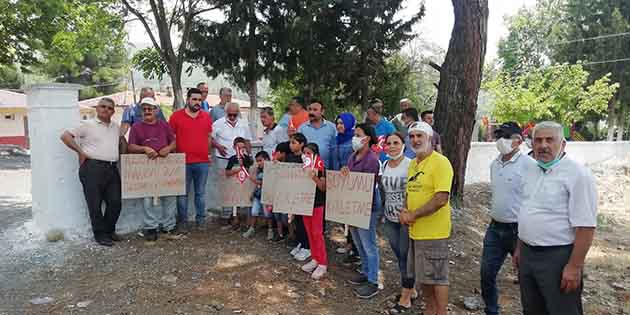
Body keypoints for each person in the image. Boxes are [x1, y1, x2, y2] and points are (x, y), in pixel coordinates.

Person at [513, 121, 597, 315]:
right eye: (538, 140)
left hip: (558, 257)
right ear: (532, 144)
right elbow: (526, 210)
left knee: (562, 310)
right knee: (532, 309)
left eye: (550, 140)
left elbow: (586, 227)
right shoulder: (530, 169)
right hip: (527, 255)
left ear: (563, 144)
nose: (543, 145)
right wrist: (519, 247)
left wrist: (574, 266)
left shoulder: (578, 174)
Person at [400, 121, 454, 315]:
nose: (415, 140)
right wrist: (404, 211)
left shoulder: (440, 162)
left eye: (419, 136)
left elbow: (441, 198)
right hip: (416, 231)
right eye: (412, 136)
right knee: (424, 278)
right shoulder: (413, 163)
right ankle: (429, 310)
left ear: (429, 138)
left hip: (434, 232)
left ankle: (441, 312)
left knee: (437, 278)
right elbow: (410, 191)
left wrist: (413, 214)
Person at [60, 97, 122, 247]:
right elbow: (65, 136)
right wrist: (80, 152)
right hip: (92, 168)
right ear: (97, 108)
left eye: (109, 108)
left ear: (113, 111)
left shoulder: (115, 127)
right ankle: (100, 235)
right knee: (94, 204)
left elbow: (120, 143)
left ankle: (109, 230)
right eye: (103, 106)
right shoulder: (87, 124)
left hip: (112, 168)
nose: (106, 109)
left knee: (115, 202)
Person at [481, 121, 528, 315]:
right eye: (498, 136)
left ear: (518, 141)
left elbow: (530, 202)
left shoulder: (529, 166)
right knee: (486, 274)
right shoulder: (495, 164)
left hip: (519, 231)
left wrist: (522, 240)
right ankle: (492, 311)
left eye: (506, 137)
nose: (500, 140)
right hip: (495, 229)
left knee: (527, 279)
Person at [127, 98, 179, 242]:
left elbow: (174, 142)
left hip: (165, 164)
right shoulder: (136, 127)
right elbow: (130, 146)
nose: (147, 111)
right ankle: (151, 227)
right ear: (141, 111)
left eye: (150, 109)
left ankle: (168, 226)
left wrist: (168, 148)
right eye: (144, 109)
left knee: (169, 194)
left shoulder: (164, 125)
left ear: (156, 110)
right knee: (148, 197)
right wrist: (144, 148)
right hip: (146, 166)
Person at [343, 123, 382, 299]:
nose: (354, 138)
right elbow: (349, 179)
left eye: (357, 134)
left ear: (366, 139)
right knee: (358, 242)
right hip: (353, 206)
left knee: (368, 244)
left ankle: (373, 281)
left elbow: (366, 185)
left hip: (368, 207)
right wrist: (344, 173)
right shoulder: (353, 156)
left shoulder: (372, 160)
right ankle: (365, 272)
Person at [380, 132, 416, 313]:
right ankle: (411, 287)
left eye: (396, 142)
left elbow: (415, 190)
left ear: (403, 144)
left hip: (405, 220)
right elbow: (382, 190)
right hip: (389, 218)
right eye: (389, 143)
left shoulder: (411, 165)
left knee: (406, 256)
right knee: (399, 254)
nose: (392, 146)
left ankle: (406, 296)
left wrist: (408, 211)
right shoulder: (385, 164)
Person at [169, 88, 213, 232]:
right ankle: (183, 222)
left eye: (199, 100)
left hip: (202, 162)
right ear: (188, 99)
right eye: (194, 99)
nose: (197, 102)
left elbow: (208, 137)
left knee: (200, 193)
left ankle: (201, 220)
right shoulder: (176, 116)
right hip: (182, 162)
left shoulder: (206, 116)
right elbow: (171, 139)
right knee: (182, 194)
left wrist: (209, 154)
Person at [212, 102, 253, 225]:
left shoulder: (244, 123)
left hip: (240, 159)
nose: (232, 117)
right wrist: (218, 146)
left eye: (235, 115)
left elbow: (247, 140)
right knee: (225, 186)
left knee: (241, 185)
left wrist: (249, 157)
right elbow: (210, 138)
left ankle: (239, 214)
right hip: (223, 158)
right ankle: (226, 215)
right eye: (230, 115)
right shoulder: (217, 123)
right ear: (226, 113)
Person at [330, 112, 360, 263]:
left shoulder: (354, 141)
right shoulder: (335, 140)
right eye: (338, 123)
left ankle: (355, 249)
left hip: (351, 182)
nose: (339, 126)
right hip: (337, 181)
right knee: (342, 215)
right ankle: (348, 243)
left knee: (352, 216)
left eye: (342, 123)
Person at [299, 143, 328, 280]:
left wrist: (314, 177)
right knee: (309, 232)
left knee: (317, 233)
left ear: (316, 155)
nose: (305, 155)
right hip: (305, 203)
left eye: (308, 153)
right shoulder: (302, 168)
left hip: (317, 204)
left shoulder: (321, 167)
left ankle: (322, 263)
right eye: (304, 153)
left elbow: (323, 187)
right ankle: (315, 258)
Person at [286, 133, 311, 262]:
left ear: (301, 144)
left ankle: (307, 247)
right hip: (293, 193)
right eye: (290, 142)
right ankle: (300, 242)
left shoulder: (306, 158)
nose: (291, 145)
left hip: (304, 194)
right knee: (297, 220)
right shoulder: (289, 157)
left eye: (294, 142)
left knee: (304, 220)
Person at [224, 137, 254, 232]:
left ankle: (247, 223)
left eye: (243, 148)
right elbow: (227, 173)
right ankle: (235, 221)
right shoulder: (232, 159)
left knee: (246, 203)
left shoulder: (248, 159)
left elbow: (251, 171)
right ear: (234, 147)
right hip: (235, 185)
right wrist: (236, 170)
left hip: (246, 185)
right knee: (235, 204)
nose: (241, 150)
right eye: (238, 148)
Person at [297, 100, 337, 168]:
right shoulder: (302, 128)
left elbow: (335, 148)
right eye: (310, 109)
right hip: (306, 169)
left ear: (322, 111)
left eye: (315, 110)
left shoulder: (332, 127)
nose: (311, 112)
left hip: (327, 170)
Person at [247, 151, 274, 240]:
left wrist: (253, 180)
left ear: (266, 159)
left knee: (267, 214)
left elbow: (266, 183)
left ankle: (270, 230)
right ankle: (252, 228)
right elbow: (258, 184)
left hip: (266, 196)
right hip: (258, 195)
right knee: (254, 212)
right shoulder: (259, 170)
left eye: (260, 160)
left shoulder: (271, 170)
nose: (258, 163)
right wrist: (253, 192)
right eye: (257, 161)